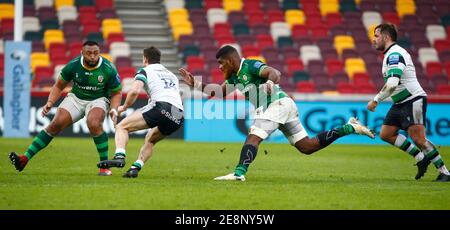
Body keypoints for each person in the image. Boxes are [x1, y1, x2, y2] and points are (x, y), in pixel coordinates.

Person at [179, 45, 375, 181]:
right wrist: (195, 83)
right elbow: (219, 93)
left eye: (221, 63)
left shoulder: (250, 65)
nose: (220, 67)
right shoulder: (235, 78)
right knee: (307, 147)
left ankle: (239, 173)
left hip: (277, 104)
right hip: (283, 106)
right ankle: (349, 127)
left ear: (231, 60)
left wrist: (271, 83)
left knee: (253, 137)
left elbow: (274, 73)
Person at [8, 40, 122, 176]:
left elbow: (116, 92)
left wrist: (114, 109)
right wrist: (50, 102)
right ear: (82, 53)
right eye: (89, 53)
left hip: (98, 99)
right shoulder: (73, 65)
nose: (93, 56)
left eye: (96, 53)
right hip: (76, 98)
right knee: (55, 124)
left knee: (94, 123)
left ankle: (104, 166)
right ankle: (24, 159)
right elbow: (59, 85)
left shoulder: (108, 68)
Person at [367, 23, 450, 182]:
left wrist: (375, 100)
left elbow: (392, 84)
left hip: (413, 100)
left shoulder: (395, 54)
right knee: (386, 134)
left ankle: (445, 172)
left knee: (419, 139)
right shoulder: (390, 54)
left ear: (386, 37)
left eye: (376, 36)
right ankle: (420, 157)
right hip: (400, 102)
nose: (373, 39)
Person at [97, 46, 184, 178]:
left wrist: (124, 106)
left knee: (122, 127)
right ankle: (135, 168)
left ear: (145, 59)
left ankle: (119, 156)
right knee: (150, 140)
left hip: (162, 106)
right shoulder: (172, 76)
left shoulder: (145, 71)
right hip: (178, 114)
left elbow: (134, 91)